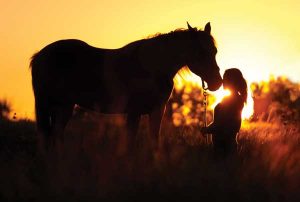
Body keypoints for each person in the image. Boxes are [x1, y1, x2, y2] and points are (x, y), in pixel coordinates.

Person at [201, 68, 247, 158]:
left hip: (223, 147)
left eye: (225, 78)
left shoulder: (230, 100)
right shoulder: (237, 99)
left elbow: (220, 124)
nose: (222, 81)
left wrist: (206, 130)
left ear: (231, 81)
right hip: (228, 145)